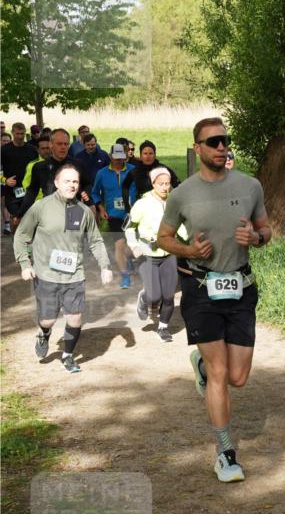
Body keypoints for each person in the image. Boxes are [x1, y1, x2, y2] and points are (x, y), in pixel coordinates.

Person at [157, 117, 271, 484]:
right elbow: (163, 237)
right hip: (201, 290)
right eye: (214, 142)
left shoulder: (250, 185)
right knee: (222, 374)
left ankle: (202, 368)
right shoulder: (182, 193)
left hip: (241, 287)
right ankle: (225, 453)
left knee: (237, 376)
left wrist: (257, 237)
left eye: (226, 140)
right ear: (198, 148)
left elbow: (266, 228)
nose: (222, 147)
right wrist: (188, 249)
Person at [14, 163, 113, 373]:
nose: (72, 185)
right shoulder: (41, 207)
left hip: (74, 274)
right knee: (48, 320)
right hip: (46, 274)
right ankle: (44, 333)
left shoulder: (84, 211)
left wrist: (105, 266)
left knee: (75, 318)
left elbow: (95, 241)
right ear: (57, 183)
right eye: (67, 181)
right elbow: (22, 236)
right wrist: (25, 264)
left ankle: (67, 355)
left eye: (75, 181)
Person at [124, 166, 186, 342]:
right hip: (147, 255)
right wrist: (134, 245)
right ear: (153, 183)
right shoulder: (142, 204)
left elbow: (181, 227)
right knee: (154, 296)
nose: (165, 187)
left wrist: (192, 241)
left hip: (169, 254)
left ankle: (163, 327)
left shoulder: (174, 203)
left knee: (168, 295)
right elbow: (130, 228)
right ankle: (144, 298)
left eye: (168, 184)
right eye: (161, 184)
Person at [18, 129, 91, 218]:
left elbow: (87, 184)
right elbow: (32, 192)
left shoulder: (78, 165)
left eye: (66, 144)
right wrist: (20, 215)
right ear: (51, 145)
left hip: (73, 213)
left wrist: (86, 193)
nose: (63, 147)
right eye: (59, 144)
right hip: (50, 214)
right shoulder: (40, 167)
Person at [91, 144, 134, 288]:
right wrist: (101, 208)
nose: (118, 161)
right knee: (119, 245)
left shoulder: (133, 171)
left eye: (121, 158)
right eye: (115, 158)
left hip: (134, 214)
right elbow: (95, 193)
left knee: (135, 247)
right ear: (110, 156)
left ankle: (127, 258)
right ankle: (125, 276)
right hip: (114, 215)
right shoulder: (102, 173)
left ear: (125, 157)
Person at [122, 140, 179, 211]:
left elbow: (177, 184)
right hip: (143, 207)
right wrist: (127, 205)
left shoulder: (163, 169)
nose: (148, 156)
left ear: (155, 155)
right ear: (140, 156)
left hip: (162, 207)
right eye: (145, 154)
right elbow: (125, 186)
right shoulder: (135, 171)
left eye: (151, 153)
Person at [1, 122, 38, 225]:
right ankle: (16, 239)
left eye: (22, 134)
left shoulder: (32, 150)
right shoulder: (4, 150)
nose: (20, 136)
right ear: (12, 133)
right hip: (12, 191)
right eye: (17, 134)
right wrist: (5, 180)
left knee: (29, 218)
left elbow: (37, 168)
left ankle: (25, 240)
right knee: (16, 218)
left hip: (29, 190)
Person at [22, 134, 52, 201]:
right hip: (39, 202)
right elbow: (26, 184)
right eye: (43, 148)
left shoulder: (58, 162)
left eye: (47, 148)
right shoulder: (32, 165)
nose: (46, 151)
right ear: (38, 150)